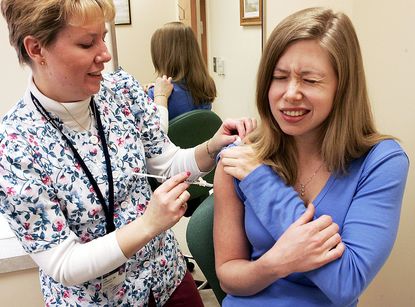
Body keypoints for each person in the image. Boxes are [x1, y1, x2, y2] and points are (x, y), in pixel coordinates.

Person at [0, 1, 256, 306]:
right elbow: (63, 264)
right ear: (36, 49)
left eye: (103, 37)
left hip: (165, 277)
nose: (105, 54)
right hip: (99, 299)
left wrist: (211, 147)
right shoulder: (14, 145)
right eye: (87, 43)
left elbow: (167, 163)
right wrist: (148, 224)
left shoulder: (121, 91)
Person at [214, 7, 409, 307]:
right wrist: (275, 264)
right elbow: (228, 275)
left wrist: (262, 183)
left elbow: (346, 282)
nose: (290, 93)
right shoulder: (238, 159)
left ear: (342, 89)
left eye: (310, 80)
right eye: (279, 77)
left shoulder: (382, 162)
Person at [146, 21, 216, 132]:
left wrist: (155, 93)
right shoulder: (206, 85)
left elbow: (152, 134)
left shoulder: (155, 96)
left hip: (172, 148)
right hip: (202, 146)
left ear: (161, 56)